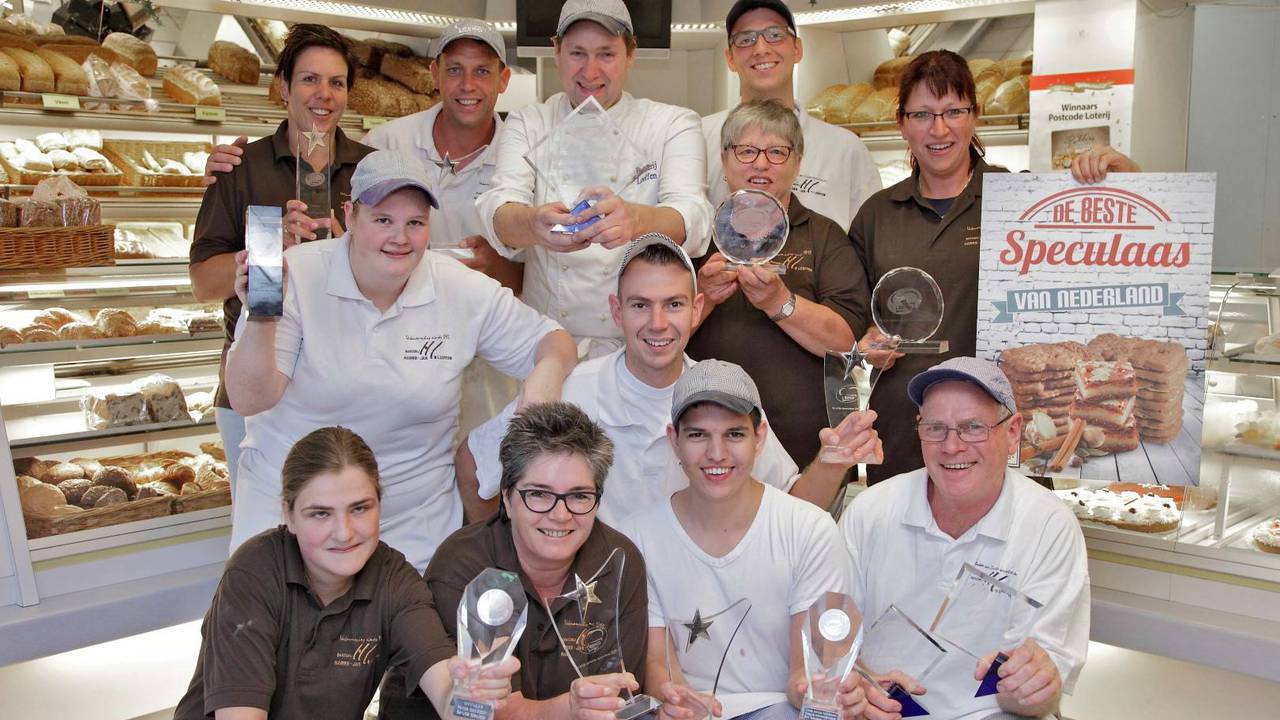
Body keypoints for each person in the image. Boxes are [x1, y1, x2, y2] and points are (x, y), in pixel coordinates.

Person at [223, 150, 576, 571]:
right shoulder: (296, 275)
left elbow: (553, 341)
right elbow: (249, 399)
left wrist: (545, 378)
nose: (400, 238)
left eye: (415, 223)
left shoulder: (457, 287)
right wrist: (264, 316)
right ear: (350, 217)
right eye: (383, 220)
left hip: (412, 529)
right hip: (293, 524)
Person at [848, 49, 1139, 484]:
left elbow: (1112, 258)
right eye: (923, 114)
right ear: (902, 124)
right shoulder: (876, 215)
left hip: (1006, 428)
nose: (939, 129)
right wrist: (864, 348)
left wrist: (1125, 175)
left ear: (975, 115)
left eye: (953, 111)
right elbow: (851, 323)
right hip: (907, 431)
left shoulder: (1024, 201)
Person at [458, 233, 878, 526]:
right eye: (640, 305)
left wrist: (831, 462)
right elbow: (475, 467)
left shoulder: (725, 395)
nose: (657, 324)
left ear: (696, 310)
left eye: (673, 304)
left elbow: (791, 509)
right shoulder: (573, 393)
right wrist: (506, 558)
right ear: (617, 311)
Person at [173, 426, 521, 720]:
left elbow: (446, 689)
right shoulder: (254, 573)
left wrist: (473, 696)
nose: (344, 532)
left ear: (379, 505)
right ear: (288, 516)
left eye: (359, 508)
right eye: (320, 514)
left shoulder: (394, 580)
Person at [619, 360, 879, 720]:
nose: (716, 454)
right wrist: (676, 700)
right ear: (673, 440)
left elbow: (809, 671)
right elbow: (657, 663)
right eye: (697, 435)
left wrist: (817, 690)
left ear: (760, 438)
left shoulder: (810, 529)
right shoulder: (637, 538)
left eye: (734, 434)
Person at [839, 357, 1089, 720]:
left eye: (973, 427)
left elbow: (1041, 695)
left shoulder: (1048, 525)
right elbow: (833, 634)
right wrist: (856, 683)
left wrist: (1033, 686)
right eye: (935, 428)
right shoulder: (871, 511)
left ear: (1014, 431)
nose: (952, 446)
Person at [190, 24, 371, 493]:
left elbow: (401, 276)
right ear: (284, 87)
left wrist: (347, 251)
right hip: (255, 382)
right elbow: (204, 284)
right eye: (310, 79)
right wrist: (272, 251)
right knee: (264, 527)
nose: (324, 95)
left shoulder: (372, 172)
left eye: (337, 82)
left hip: (350, 376)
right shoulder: (240, 167)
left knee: (347, 528)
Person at [381, 402, 649, 720]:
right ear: (507, 498)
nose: (560, 515)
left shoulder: (619, 561)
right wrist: (571, 707)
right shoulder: (466, 567)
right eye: (539, 494)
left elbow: (615, 700)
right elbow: (485, 712)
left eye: (579, 496)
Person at [477, 0, 713, 359]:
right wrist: (532, 224)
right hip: (548, 342)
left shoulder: (670, 124)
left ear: (630, 55)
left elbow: (692, 216)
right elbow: (499, 207)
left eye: (606, 53)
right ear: (556, 51)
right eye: (577, 52)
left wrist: (636, 220)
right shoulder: (530, 123)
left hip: (641, 343)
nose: (590, 70)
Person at [690, 99, 865, 466]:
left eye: (777, 152)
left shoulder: (824, 236)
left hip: (806, 442)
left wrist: (779, 303)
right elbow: (658, 335)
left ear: (798, 163)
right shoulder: (696, 236)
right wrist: (703, 297)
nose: (761, 163)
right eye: (747, 150)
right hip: (707, 438)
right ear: (724, 160)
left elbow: (845, 342)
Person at [702, 0, 880, 233]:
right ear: (730, 58)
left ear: (797, 49)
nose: (761, 48)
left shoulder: (847, 149)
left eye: (775, 35)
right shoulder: (700, 138)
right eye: (745, 39)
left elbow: (871, 241)